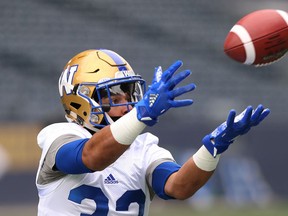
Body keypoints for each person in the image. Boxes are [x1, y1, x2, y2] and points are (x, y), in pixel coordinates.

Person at [35, 49, 270, 215]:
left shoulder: (143, 146)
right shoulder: (58, 135)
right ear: (81, 102)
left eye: (129, 98)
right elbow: (90, 157)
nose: (127, 106)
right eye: (114, 98)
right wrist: (141, 115)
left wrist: (214, 147)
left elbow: (179, 187)